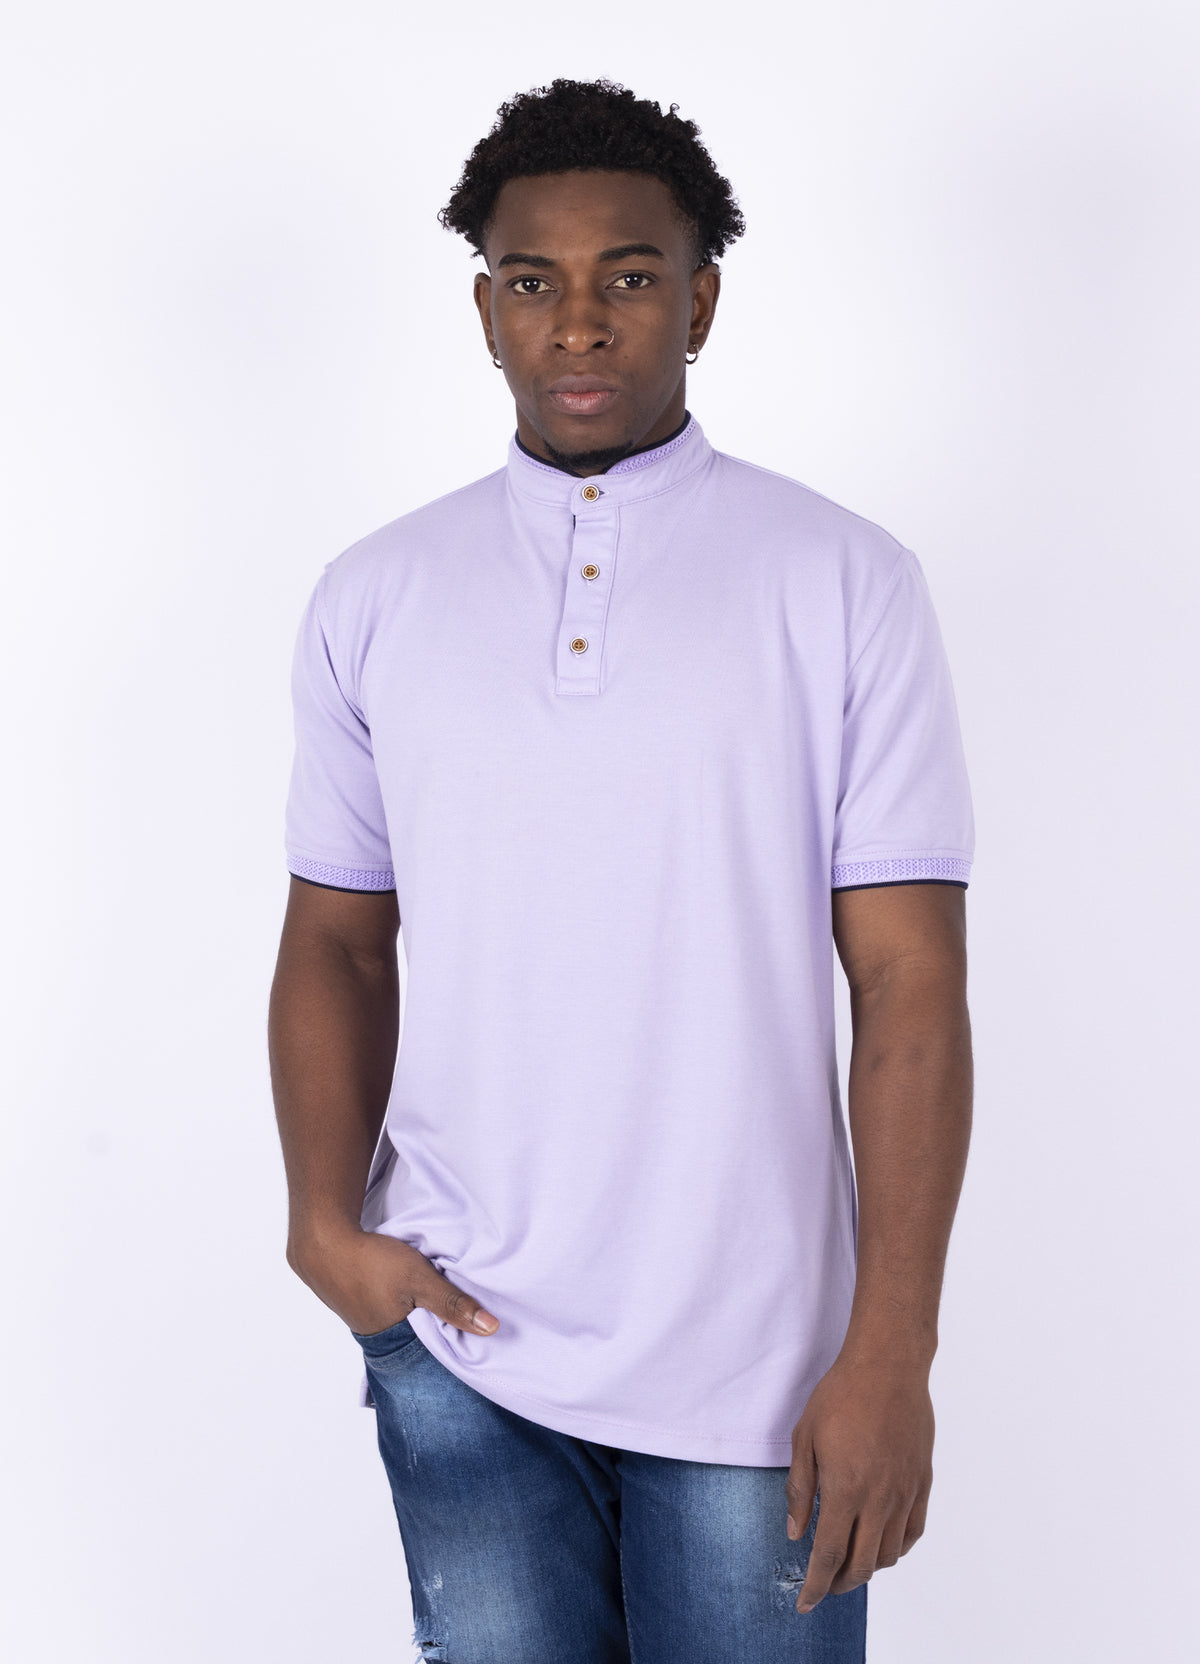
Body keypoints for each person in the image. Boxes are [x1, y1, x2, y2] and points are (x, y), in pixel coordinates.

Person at [267, 76, 975, 1664]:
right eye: (533, 281)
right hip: (460, 1338)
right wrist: (324, 1225)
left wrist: (892, 1351)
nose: (579, 321)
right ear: (486, 312)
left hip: (763, 1370)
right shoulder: (376, 593)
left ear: (701, 301)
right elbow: (337, 940)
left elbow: (909, 983)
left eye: (630, 277)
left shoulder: (845, 582)